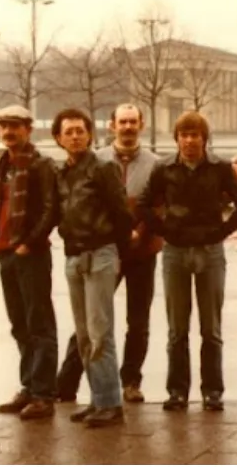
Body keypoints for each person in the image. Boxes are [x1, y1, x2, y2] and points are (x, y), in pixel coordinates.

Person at [136, 111, 237, 412]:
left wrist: (221, 232)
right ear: (176, 139)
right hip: (175, 253)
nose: (190, 141)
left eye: (195, 135)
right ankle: (177, 391)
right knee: (177, 328)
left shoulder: (221, 168)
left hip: (210, 253)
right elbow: (144, 205)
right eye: (184, 135)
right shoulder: (164, 168)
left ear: (204, 139)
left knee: (210, 328)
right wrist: (164, 231)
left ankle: (212, 391)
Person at [58, 104, 162, 404]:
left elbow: (157, 207)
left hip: (142, 251)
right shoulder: (97, 160)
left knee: (138, 320)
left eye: (133, 122)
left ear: (141, 124)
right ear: (111, 125)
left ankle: (130, 381)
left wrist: (138, 235)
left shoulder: (156, 164)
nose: (128, 127)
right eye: (122, 122)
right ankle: (67, 381)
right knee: (91, 319)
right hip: (104, 249)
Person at [52, 108, 134, 428]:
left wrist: (117, 255)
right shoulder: (62, 174)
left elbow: (122, 214)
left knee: (101, 332)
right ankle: (97, 399)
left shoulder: (103, 169)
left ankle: (111, 403)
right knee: (84, 335)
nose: (75, 136)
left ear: (90, 134)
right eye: (68, 131)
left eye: (80, 130)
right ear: (58, 138)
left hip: (100, 254)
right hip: (73, 257)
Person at [0, 105, 61, 421]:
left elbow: (50, 210)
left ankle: (43, 393)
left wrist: (31, 242)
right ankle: (29, 386)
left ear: (28, 129)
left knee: (39, 324)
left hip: (31, 254)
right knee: (20, 324)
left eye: (15, 126)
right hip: (5, 253)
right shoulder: (4, 166)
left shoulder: (40, 166)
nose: (9, 132)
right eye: (3, 126)